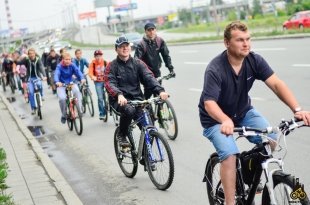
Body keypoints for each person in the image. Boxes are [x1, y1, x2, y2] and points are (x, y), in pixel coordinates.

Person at [198, 21, 310, 205]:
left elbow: (276, 84)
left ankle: (252, 170)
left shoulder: (253, 60)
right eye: (240, 40)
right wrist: (225, 120)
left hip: (243, 112)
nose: (246, 44)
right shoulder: (215, 68)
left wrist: (297, 110)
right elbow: (209, 103)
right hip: (216, 120)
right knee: (229, 154)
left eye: (248, 39)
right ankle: (229, 201)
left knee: (273, 137)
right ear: (227, 43)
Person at [104, 36, 169, 148]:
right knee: (129, 110)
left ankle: (145, 157)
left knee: (150, 126)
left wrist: (160, 90)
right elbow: (109, 83)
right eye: (121, 47)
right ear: (116, 49)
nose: (125, 48)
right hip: (119, 100)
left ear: (130, 47)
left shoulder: (138, 63)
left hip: (138, 99)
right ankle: (122, 134)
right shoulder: (112, 66)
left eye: (127, 46)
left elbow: (149, 77)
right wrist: (119, 94)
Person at [134, 22, 175, 99]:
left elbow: (166, 55)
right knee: (148, 95)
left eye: (153, 29)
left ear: (155, 30)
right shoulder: (141, 44)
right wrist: (136, 74)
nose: (151, 32)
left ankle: (160, 110)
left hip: (156, 72)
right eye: (149, 30)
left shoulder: (160, 41)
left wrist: (171, 69)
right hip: (145, 73)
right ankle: (145, 108)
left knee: (160, 93)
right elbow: (136, 61)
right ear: (146, 32)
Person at [54, 52, 86, 124]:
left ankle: (79, 109)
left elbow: (78, 72)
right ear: (63, 60)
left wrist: (82, 78)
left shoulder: (72, 65)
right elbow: (56, 74)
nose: (68, 61)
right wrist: (57, 82)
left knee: (77, 92)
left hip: (71, 84)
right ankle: (64, 115)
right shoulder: (59, 66)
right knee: (62, 99)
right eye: (66, 59)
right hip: (61, 85)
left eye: (69, 59)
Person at [23, 48, 46, 114]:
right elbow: (20, 63)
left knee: (40, 85)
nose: (31, 55)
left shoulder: (38, 59)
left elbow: (41, 67)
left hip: (37, 77)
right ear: (28, 55)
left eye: (32, 53)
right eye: (30, 54)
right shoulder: (27, 60)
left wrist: (44, 76)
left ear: (35, 53)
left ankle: (41, 95)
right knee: (30, 92)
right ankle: (33, 108)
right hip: (29, 78)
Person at [88, 49, 109, 120]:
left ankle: (112, 108)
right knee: (100, 98)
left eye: (100, 55)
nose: (98, 57)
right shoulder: (93, 63)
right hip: (98, 82)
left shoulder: (106, 62)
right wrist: (92, 76)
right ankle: (102, 113)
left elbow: (111, 69)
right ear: (94, 57)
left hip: (106, 81)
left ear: (102, 56)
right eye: (97, 56)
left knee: (112, 95)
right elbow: (90, 72)